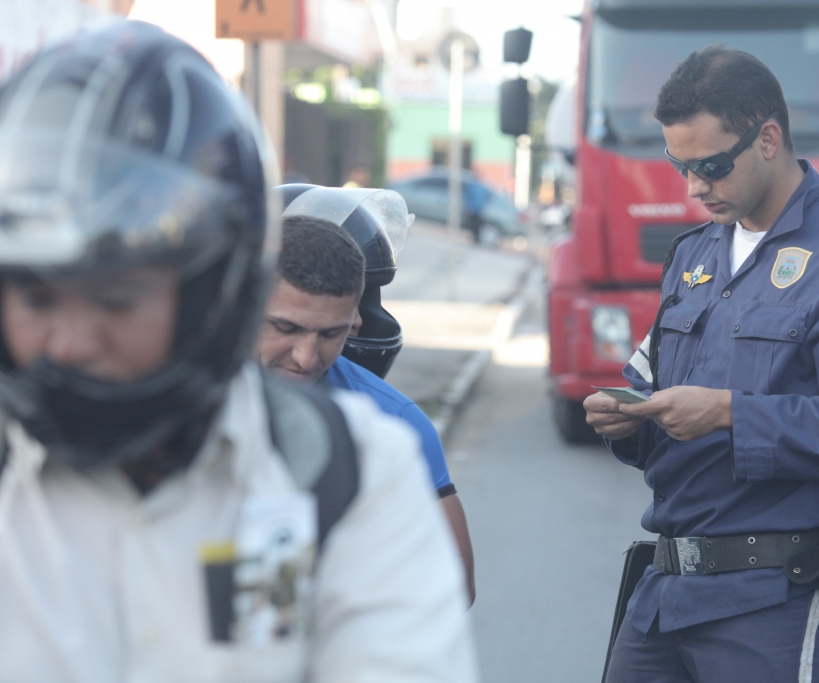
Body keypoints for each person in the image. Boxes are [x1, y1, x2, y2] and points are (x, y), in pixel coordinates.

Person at [0, 22, 476, 682]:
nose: (71, 341)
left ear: (213, 294)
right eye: (35, 300)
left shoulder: (355, 473)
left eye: (116, 301)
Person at [584, 47, 819, 682]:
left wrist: (730, 415)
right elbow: (649, 391)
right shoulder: (693, 254)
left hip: (772, 601)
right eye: (679, 165)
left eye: (710, 165)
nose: (693, 187)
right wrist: (625, 417)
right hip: (664, 592)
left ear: (768, 138)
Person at [255, 202, 476, 603]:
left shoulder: (396, 425)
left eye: (330, 334)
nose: (307, 357)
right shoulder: (178, 403)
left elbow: (453, 587)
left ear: (355, 323)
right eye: (286, 328)